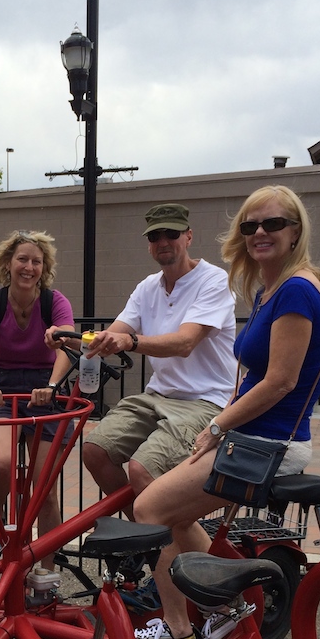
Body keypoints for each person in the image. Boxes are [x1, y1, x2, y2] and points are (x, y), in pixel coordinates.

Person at [132, 185, 320, 639]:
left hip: (269, 443)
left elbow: (280, 382)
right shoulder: (271, 288)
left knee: (150, 509)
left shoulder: (296, 290)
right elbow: (254, 373)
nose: (260, 232)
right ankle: (225, 605)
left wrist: (217, 425)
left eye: (273, 223)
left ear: (296, 232)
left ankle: (182, 628)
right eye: (250, 225)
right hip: (253, 433)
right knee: (173, 511)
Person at [73, 203, 236, 521]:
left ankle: (170, 546)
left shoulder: (214, 281)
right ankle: (144, 534)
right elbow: (111, 336)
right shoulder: (148, 287)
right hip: (158, 396)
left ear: (188, 236)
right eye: (154, 236)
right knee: (94, 451)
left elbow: (185, 343)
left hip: (206, 401)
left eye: (171, 233)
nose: (163, 242)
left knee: (142, 468)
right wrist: (65, 338)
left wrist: (131, 342)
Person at [0, 230, 74, 573]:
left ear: (44, 267)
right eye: (22, 259)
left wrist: (52, 385)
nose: (29, 267)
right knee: (2, 461)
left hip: (44, 389)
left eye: (36, 261)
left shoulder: (54, 301)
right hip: (1, 389)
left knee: (44, 490)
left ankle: (46, 576)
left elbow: (67, 345)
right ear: (8, 263)